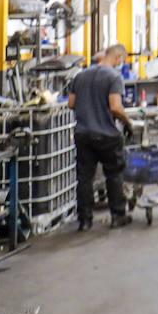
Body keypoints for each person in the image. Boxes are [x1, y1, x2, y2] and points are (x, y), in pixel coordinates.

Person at [66, 43, 135, 230]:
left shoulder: (80, 75)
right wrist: (128, 123)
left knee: (84, 178)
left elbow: (71, 103)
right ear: (118, 58)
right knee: (113, 174)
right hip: (106, 135)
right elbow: (115, 106)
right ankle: (117, 215)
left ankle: (85, 221)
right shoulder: (114, 77)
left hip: (83, 134)